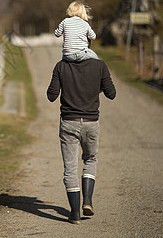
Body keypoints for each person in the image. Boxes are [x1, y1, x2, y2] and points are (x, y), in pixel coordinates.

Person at [46, 56, 116, 224]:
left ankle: (75, 213)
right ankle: (88, 201)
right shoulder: (100, 65)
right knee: (91, 159)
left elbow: (51, 96)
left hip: (69, 123)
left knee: (70, 168)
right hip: (91, 123)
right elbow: (111, 94)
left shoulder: (61, 66)